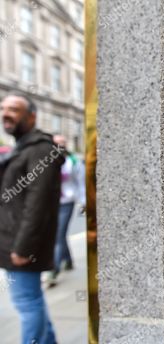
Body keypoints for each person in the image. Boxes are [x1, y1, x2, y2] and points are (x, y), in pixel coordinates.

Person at [0, 94, 64, 344]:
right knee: (32, 300)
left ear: (32, 116)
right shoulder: (25, 147)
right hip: (15, 241)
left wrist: (24, 247)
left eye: (14, 109)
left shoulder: (39, 150)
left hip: (22, 245)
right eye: (3, 108)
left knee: (27, 303)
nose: (6, 113)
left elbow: (39, 204)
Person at [47, 135, 85, 287]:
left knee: (58, 234)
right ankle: (68, 261)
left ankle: (54, 270)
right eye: (56, 143)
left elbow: (80, 183)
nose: (59, 146)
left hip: (67, 203)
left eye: (62, 143)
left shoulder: (73, 162)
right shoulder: (45, 161)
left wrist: (83, 202)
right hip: (51, 203)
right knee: (59, 234)